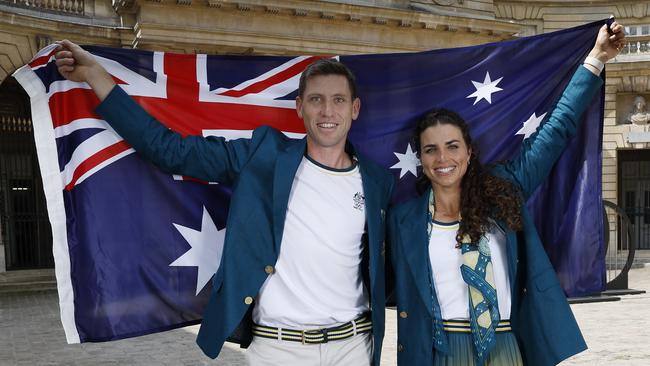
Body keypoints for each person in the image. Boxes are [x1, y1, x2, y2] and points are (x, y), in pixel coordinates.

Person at [54, 42, 393, 366]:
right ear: (299, 106)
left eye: (338, 100)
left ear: (354, 108)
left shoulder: (377, 182)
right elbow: (169, 150)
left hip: (354, 346)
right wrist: (96, 75)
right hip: (279, 348)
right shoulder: (262, 157)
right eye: (316, 99)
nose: (328, 111)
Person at [388, 22, 625, 366]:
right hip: (438, 353)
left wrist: (597, 58)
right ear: (420, 159)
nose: (443, 159)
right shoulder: (402, 219)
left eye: (453, 146)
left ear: (469, 152)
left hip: (504, 348)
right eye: (431, 150)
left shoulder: (503, 191)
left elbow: (557, 130)